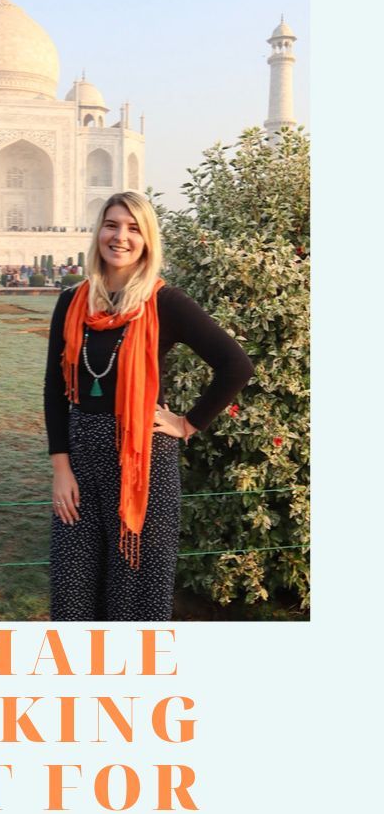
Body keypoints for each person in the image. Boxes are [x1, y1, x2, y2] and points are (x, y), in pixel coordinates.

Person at [44, 191, 254, 622]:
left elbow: (236, 365)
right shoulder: (72, 303)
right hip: (81, 459)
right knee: (73, 588)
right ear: (98, 232)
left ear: (147, 241)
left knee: (136, 589)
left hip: (143, 461)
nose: (120, 237)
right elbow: (53, 389)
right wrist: (60, 468)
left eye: (133, 228)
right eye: (112, 225)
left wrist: (187, 423)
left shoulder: (163, 303)